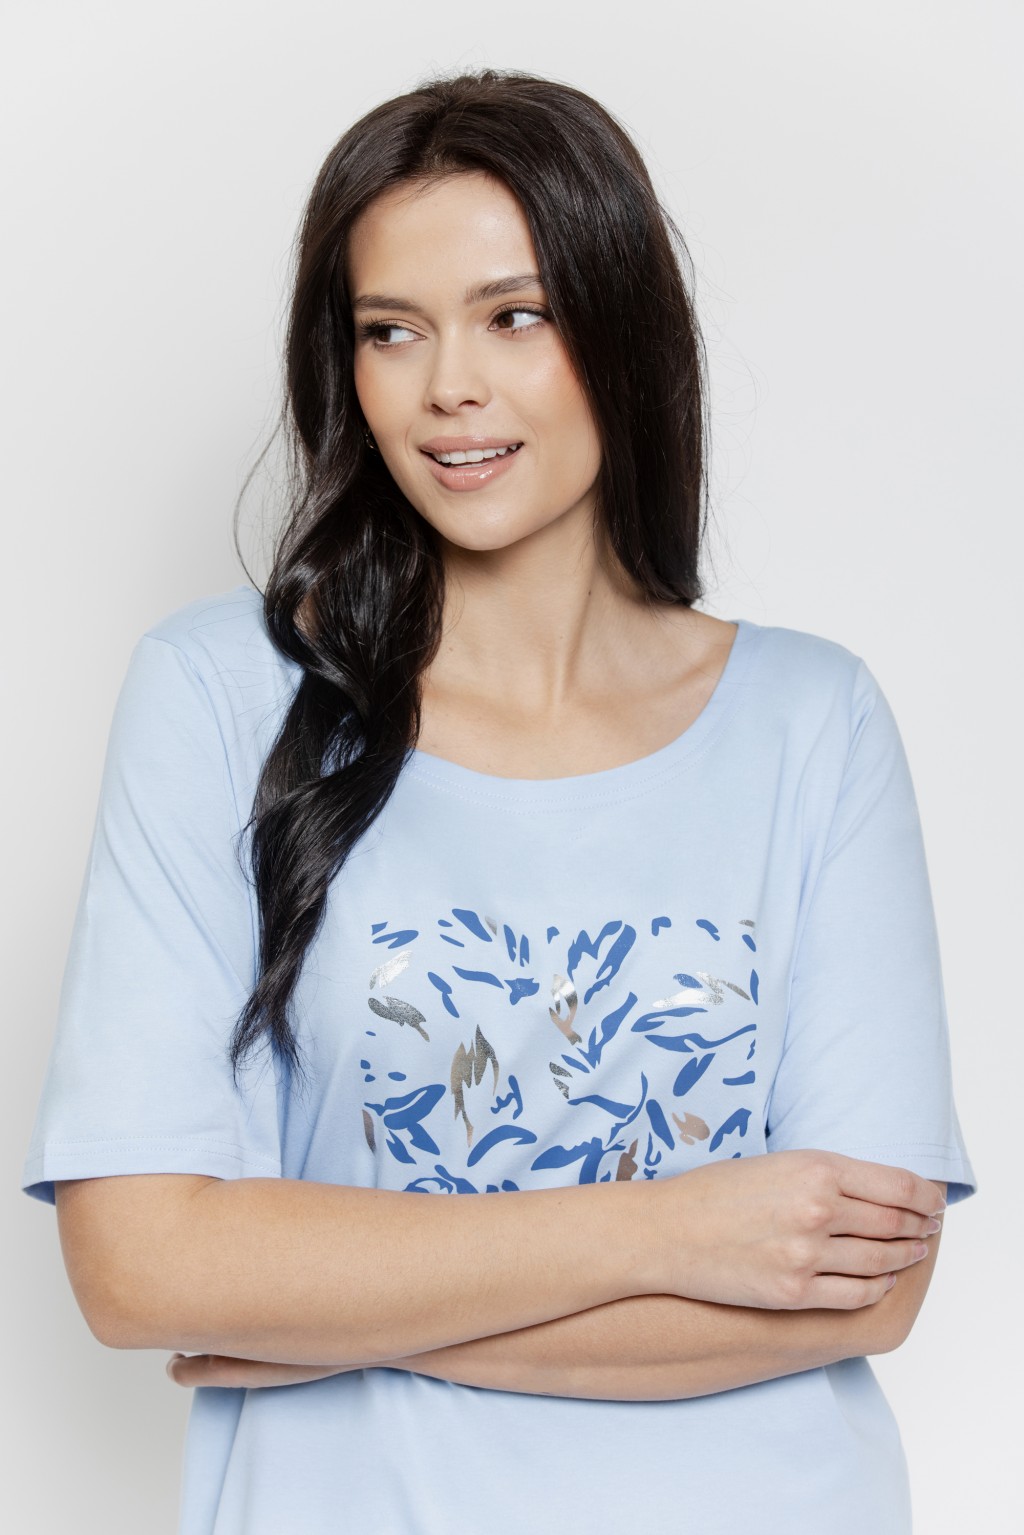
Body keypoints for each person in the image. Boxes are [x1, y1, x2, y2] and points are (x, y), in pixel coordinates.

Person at [20, 67, 976, 1535]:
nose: (447, 386)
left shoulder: (814, 721)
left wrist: (327, 1316)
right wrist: (680, 1228)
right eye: (391, 330)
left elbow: (869, 1287)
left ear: (623, 328)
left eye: (513, 316)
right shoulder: (220, 695)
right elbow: (140, 1265)